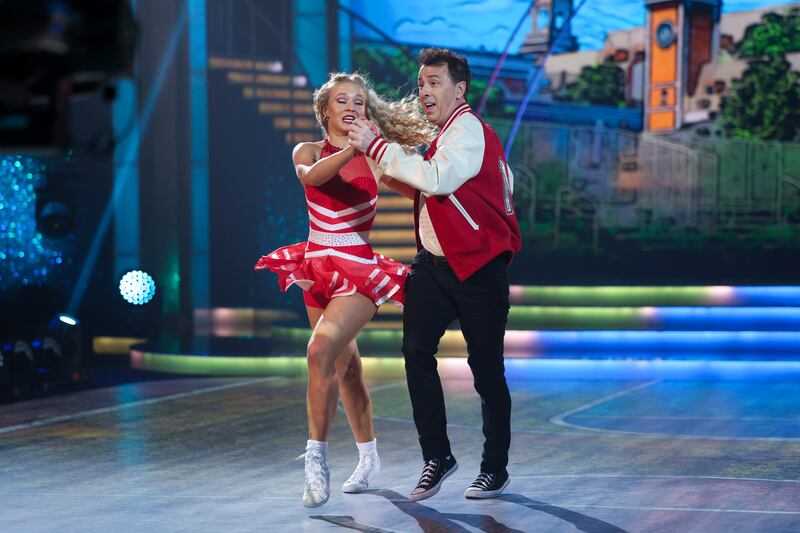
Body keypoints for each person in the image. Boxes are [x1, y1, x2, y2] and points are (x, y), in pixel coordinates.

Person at [348, 48, 522, 501]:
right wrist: (383, 166)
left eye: (434, 82)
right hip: (432, 267)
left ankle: (494, 469)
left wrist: (378, 147)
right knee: (415, 352)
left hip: (479, 271)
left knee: (486, 372)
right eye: (421, 83)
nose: (424, 91)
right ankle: (437, 456)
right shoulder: (446, 132)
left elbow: (439, 180)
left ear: (459, 89)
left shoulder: (469, 131)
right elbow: (429, 188)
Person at [255, 72, 433, 508]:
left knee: (319, 351)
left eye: (359, 100)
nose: (352, 106)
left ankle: (315, 460)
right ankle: (369, 456)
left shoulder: (374, 158)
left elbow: (422, 190)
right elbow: (312, 179)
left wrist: (456, 184)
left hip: (358, 269)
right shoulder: (308, 151)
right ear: (325, 111)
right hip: (316, 267)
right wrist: (353, 146)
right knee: (346, 367)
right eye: (342, 100)